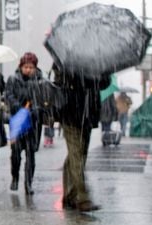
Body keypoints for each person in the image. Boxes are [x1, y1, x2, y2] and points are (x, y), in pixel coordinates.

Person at [52, 63, 110, 211]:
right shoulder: (64, 59)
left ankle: (69, 195)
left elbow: (104, 84)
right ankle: (82, 198)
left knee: (79, 154)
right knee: (76, 155)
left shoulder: (96, 59)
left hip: (88, 113)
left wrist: (101, 73)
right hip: (70, 112)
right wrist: (78, 75)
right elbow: (59, 81)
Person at [5, 52, 44, 195]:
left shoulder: (40, 81)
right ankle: (15, 177)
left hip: (33, 123)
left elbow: (42, 99)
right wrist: (19, 108)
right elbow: (8, 95)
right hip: (17, 121)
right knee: (15, 153)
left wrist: (34, 109)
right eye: (26, 67)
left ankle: (28, 183)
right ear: (21, 66)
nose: (28, 70)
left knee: (30, 154)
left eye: (31, 67)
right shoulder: (13, 79)